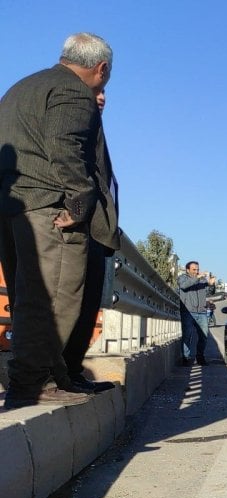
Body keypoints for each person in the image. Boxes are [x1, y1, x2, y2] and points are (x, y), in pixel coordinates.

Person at [0, 33, 118, 409]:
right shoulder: (73, 91)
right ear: (101, 69)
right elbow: (65, 148)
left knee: (28, 298)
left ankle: (54, 377)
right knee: (53, 299)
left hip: (13, 207)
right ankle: (34, 384)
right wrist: (79, 204)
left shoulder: (23, 87)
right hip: (49, 210)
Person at [60, 86, 118, 393]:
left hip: (95, 228)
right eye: (95, 90)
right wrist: (76, 210)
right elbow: (68, 163)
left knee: (88, 302)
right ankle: (58, 376)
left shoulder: (93, 124)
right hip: (79, 225)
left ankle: (71, 371)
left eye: (104, 92)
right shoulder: (70, 118)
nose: (102, 97)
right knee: (71, 300)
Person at [177, 261, 216, 366]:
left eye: (197, 269)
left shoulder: (201, 279)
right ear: (187, 270)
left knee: (204, 336)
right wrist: (198, 277)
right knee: (187, 336)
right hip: (188, 312)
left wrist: (212, 284)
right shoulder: (182, 278)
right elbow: (184, 286)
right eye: (194, 269)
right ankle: (186, 358)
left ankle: (200, 357)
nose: (196, 271)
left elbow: (210, 292)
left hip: (202, 312)